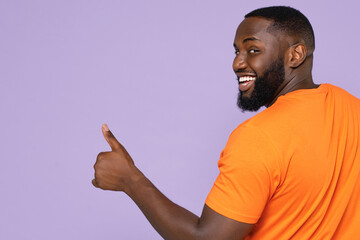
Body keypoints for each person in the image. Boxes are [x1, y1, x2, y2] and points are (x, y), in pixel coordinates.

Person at [92, 6, 360, 239]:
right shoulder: (353, 109)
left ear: (296, 55)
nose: (237, 63)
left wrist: (130, 180)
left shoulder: (258, 137)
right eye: (237, 51)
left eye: (253, 49)